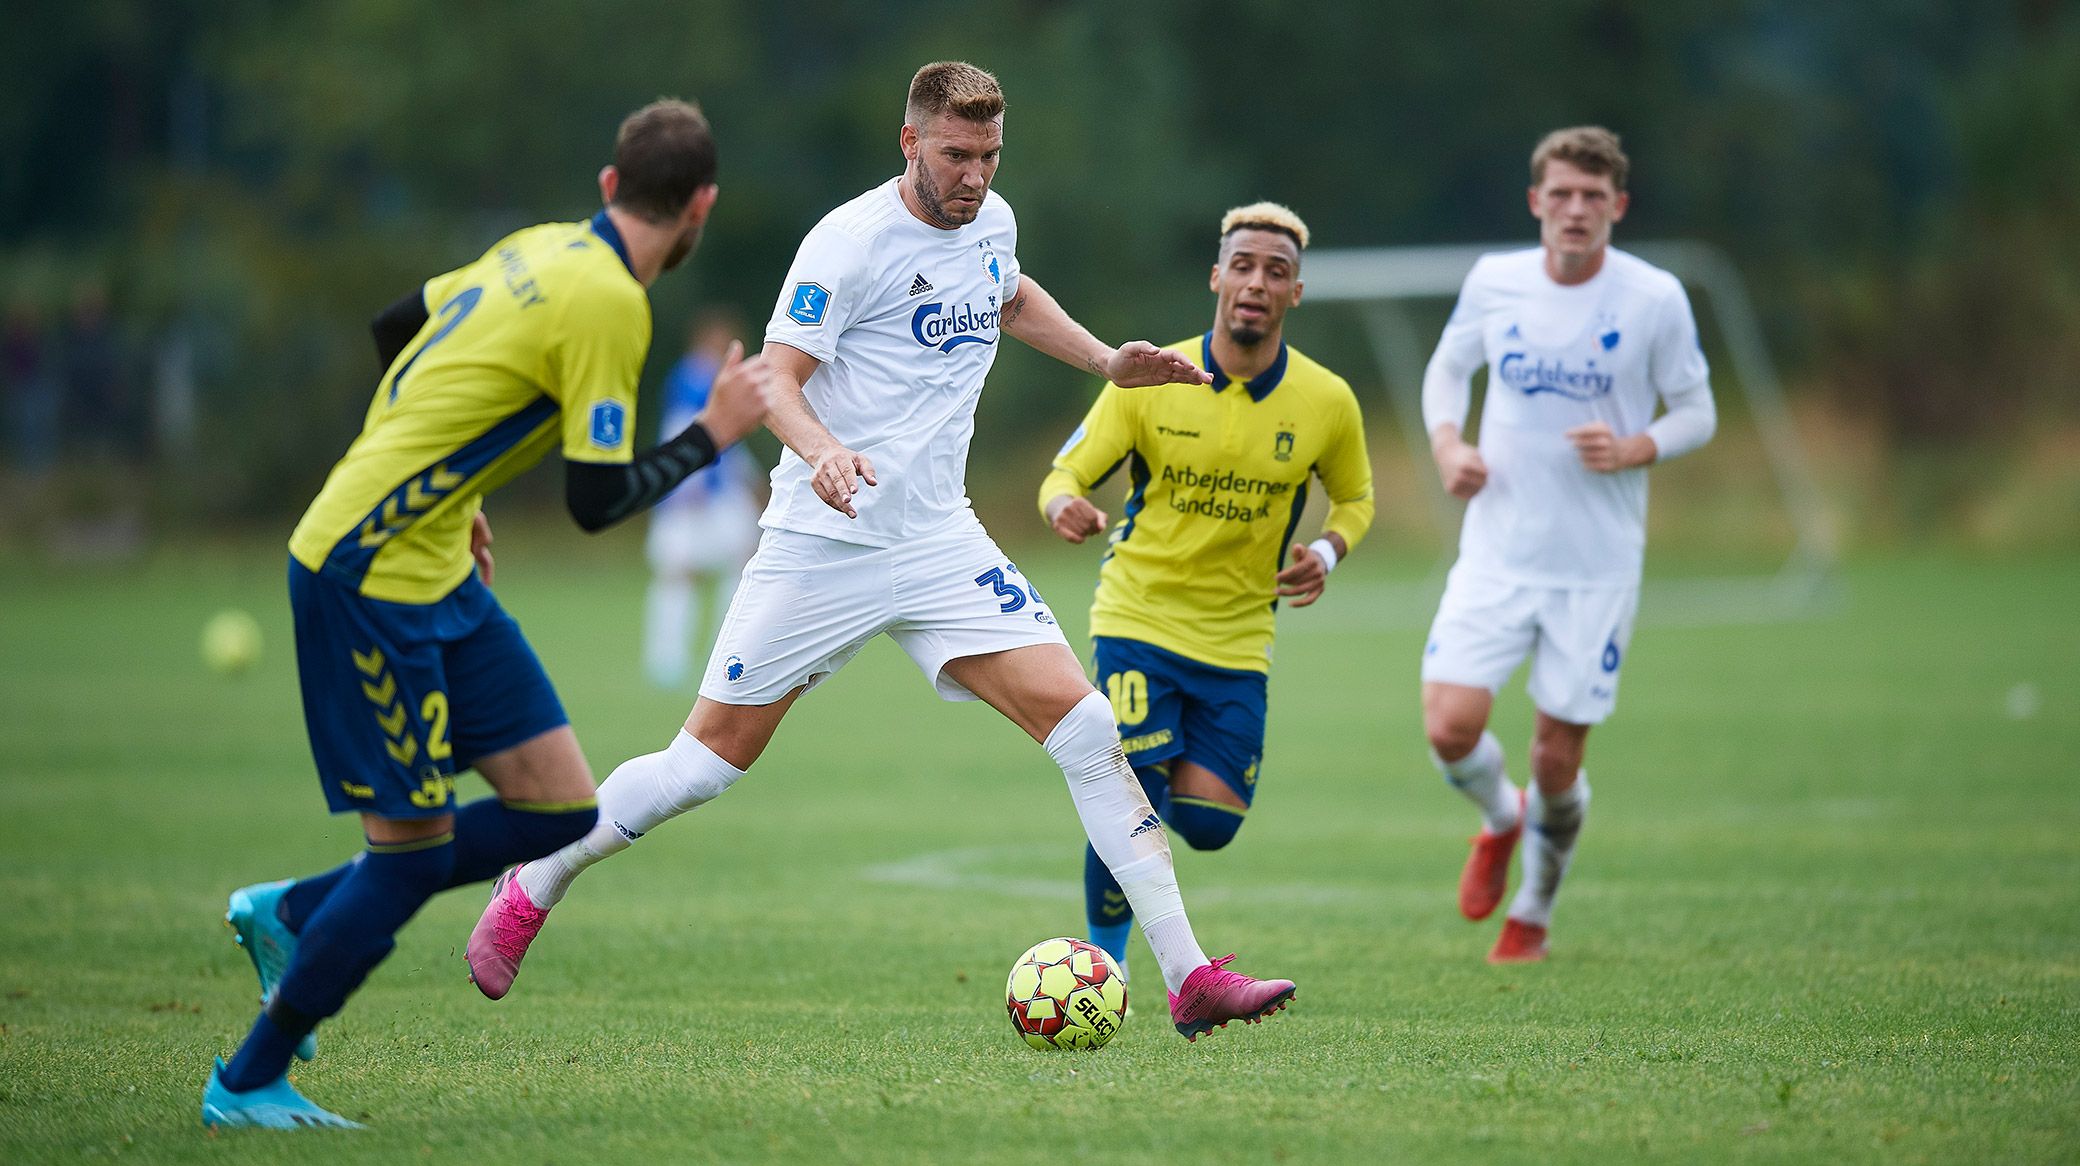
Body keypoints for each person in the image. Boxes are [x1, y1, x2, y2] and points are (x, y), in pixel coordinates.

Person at [468, 61, 1298, 1042]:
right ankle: (537, 878)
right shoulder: (848, 242)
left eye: (990, 156)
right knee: (705, 764)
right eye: (955, 155)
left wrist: (1105, 360)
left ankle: (1188, 974)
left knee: (1084, 729)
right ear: (909, 143)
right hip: (825, 542)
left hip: (939, 541)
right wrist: (821, 454)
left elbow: (1010, 291)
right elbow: (774, 378)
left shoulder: (993, 220)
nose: (975, 176)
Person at [202, 100, 772, 1129]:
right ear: (702, 206)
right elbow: (595, 502)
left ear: (608, 185)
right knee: (411, 855)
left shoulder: (537, 245)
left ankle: (290, 909)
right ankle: (246, 1079)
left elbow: (394, 327)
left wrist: (449, 494)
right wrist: (712, 432)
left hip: (433, 570)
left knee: (559, 810)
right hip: (364, 570)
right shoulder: (609, 301)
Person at [1038, 202, 1374, 982]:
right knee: (1131, 794)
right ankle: (1106, 972)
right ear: (1217, 276)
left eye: (1277, 271)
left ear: (1295, 292)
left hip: (1237, 642)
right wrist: (1064, 505)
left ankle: (1150, 849)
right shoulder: (1151, 377)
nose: (1258, 282)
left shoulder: (1328, 402)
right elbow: (1066, 472)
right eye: (1245, 265)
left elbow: (1358, 499)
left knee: (1209, 824)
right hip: (1138, 618)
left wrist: (1328, 546)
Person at [1419, 127, 1716, 963]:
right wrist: (1449, 446)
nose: (1576, 210)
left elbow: (1699, 412)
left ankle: (1536, 912)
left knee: (1557, 756)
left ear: (1617, 207)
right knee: (1449, 725)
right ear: (1535, 203)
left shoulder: (1653, 299)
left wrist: (1636, 447)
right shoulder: (1495, 282)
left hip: (1595, 569)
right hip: (1498, 551)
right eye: (1562, 194)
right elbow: (1447, 371)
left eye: (1594, 197)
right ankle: (1500, 820)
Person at [642, 310, 766, 688]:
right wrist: (682, 485)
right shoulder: (693, 375)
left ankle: (721, 650)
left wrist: (751, 481)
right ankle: (669, 659)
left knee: (742, 562)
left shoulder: (711, 377)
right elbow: (680, 428)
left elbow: (729, 446)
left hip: (716, 491)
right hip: (693, 493)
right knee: (679, 572)